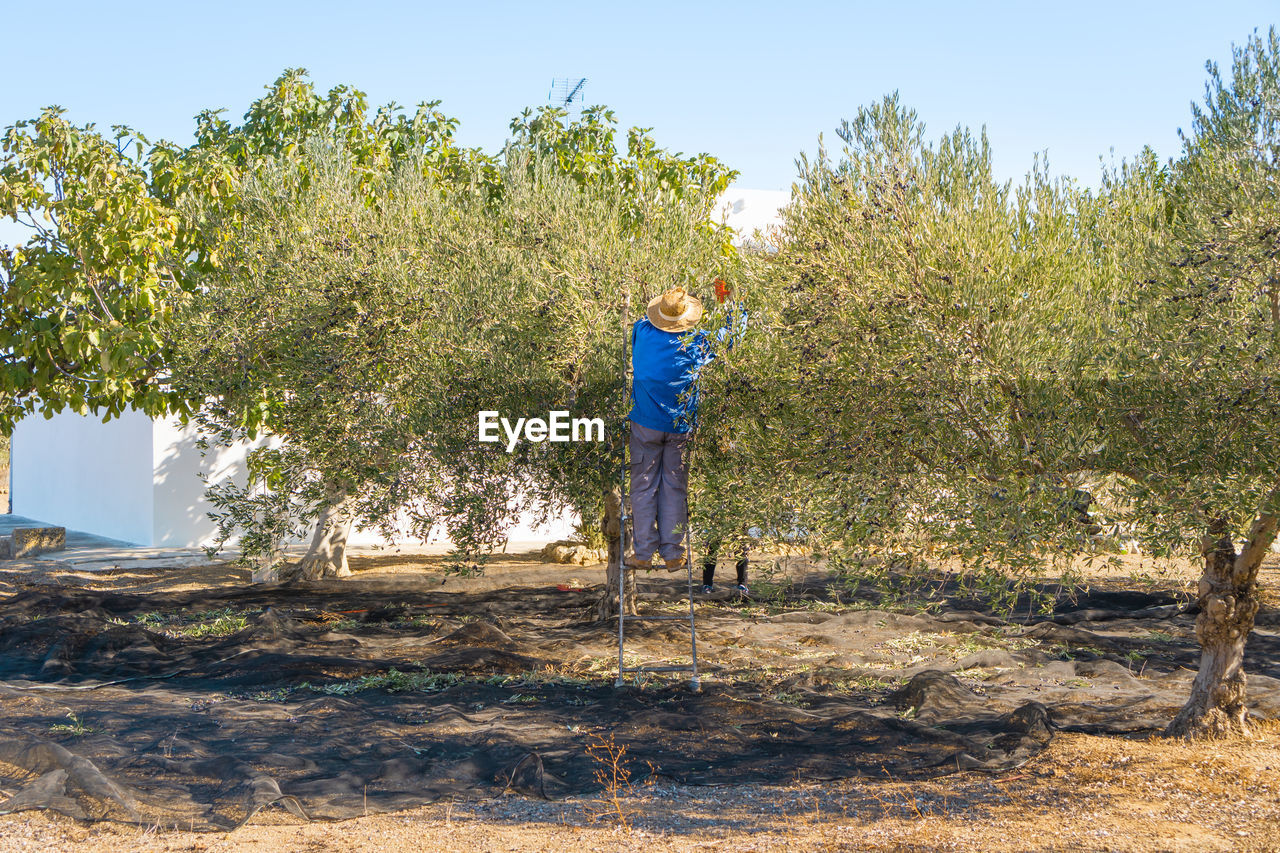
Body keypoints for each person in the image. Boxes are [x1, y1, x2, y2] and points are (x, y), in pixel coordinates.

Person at [626, 286, 741, 571]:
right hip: (680, 425)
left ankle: (642, 554)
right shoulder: (696, 344)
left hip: (644, 424)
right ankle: (673, 554)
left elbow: (644, 319)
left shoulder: (642, 333)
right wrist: (725, 299)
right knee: (674, 487)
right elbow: (731, 336)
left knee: (643, 487)